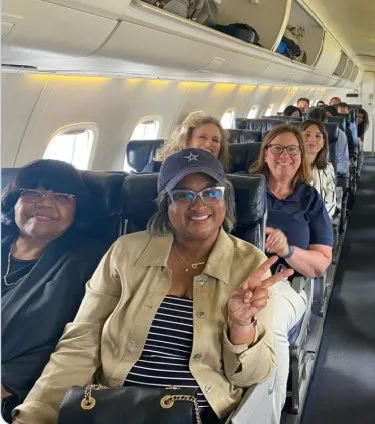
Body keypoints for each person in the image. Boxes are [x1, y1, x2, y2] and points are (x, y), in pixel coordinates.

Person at [13, 149, 292, 424]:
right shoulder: (125, 252)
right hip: (113, 407)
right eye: (182, 195)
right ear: (165, 204)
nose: (199, 206)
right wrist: (37, 413)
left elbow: (253, 376)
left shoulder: (249, 263)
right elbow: (81, 341)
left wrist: (241, 326)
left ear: (225, 199)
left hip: (200, 413)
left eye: (211, 193)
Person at [0, 160, 108, 422]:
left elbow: (80, 341)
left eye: (61, 196)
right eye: (33, 192)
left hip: (17, 395)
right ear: (14, 201)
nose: (44, 203)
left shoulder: (91, 259)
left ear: (77, 210)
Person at [249, 125, 333, 417]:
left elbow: (320, 263)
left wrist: (287, 250)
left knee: (269, 324)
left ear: (301, 155)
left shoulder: (310, 199)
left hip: (284, 284)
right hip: (237, 277)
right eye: (277, 148)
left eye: (292, 149)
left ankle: (269, 415)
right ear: (265, 153)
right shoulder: (245, 190)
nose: (285, 155)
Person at [144, 111, 230, 172]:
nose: (208, 144)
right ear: (186, 140)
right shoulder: (156, 169)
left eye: (215, 140)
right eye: (202, 137)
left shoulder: (221, 177)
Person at [301, 119, 337, 216]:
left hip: (321, 219)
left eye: (318, 136)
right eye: (307, 135)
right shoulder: (290, 166)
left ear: (323, 143)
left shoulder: (328, 168)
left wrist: (319, 221)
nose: (312, 139)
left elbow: (331, 203)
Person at [308, 107, 349, 178]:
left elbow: (344, 166)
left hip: (331, 175)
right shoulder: (301, 135)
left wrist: (322, 170)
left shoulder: (339, 135)